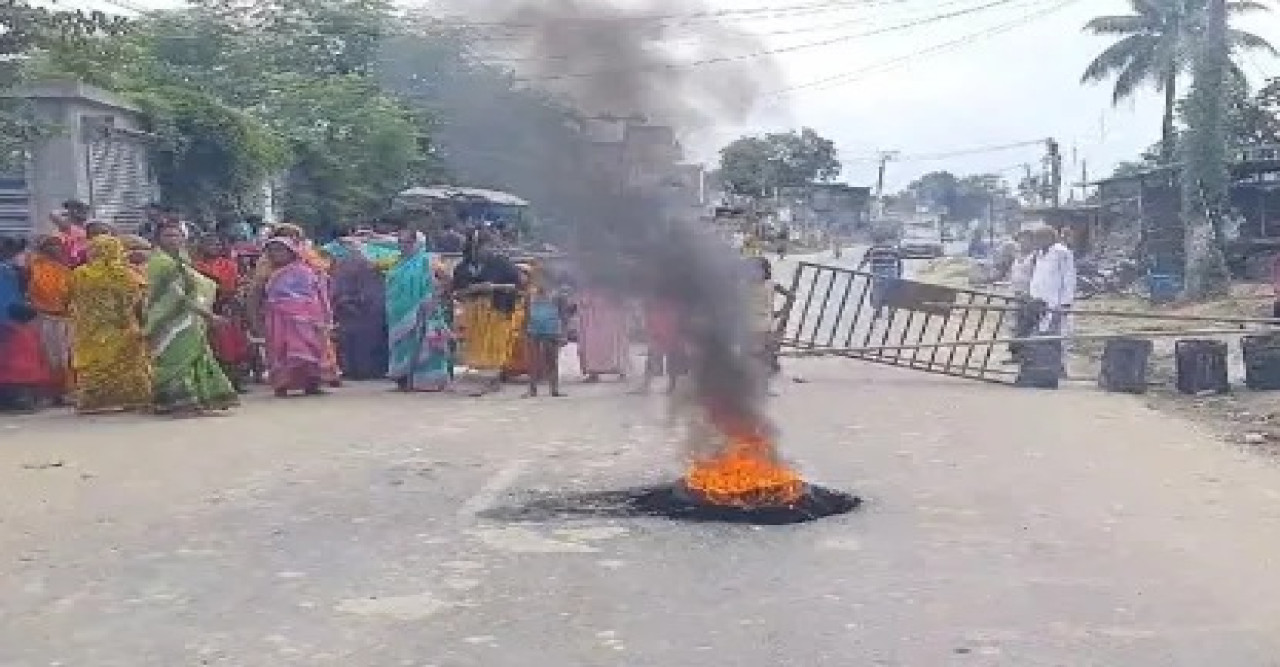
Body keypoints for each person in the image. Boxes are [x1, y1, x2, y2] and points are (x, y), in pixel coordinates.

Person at [146, 222, 239, 416]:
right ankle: (177, 402)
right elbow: (177, 295)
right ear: (158, 239)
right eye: (167, 236)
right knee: (174, 359)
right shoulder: (161, 262)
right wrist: (209, 315)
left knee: (193, 356)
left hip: (189, 319)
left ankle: (194, 398)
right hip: (169, 319)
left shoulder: (182, 260)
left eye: (177, 235)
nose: (173, 239)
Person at [67, 235, 153, 414]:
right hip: (121, 326)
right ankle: (131, 399)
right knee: (127, 363)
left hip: (89, 328)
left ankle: (94, 402)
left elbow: (70, 297)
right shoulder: (125, 274)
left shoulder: (79, 273)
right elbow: (136, 299)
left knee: (95, 363)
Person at [261, 236, 337, 397]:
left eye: (280, 250)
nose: (276, 254)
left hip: (304, 318)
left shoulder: (304, 271)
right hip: (278, 319)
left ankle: (312, 384)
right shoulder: (267, 272)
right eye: (272, 251)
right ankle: (281, 385)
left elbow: (317, 294)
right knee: (280, 350)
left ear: (291, 252)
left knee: (308, 350)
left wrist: (322, 317)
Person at [452, 230, 522, 396]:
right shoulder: (462, 267)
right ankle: (479, 381)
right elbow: (457, 292)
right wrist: (473, 289)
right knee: (476, 348)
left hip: (497, 310)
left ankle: (492, 380)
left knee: (494, 345)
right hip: (474, 314)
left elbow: (517, 287)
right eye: (483, 246)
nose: (487, 250)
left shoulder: (502, 264)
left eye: (489, 246)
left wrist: (494, 287)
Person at [386, 230, 453, 392]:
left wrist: (435, 297)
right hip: (399, 314)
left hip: (425, 310)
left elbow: (447, 279)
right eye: (400, 242)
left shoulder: (428, 261)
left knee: (426, 344)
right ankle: (403, 378)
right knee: (403, 346)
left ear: (417, 243)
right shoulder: (397, 263)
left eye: (408, 242)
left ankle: (428, 381)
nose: (403, 246)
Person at [193, 234, 252, 392]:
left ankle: (234, 381)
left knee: (232, 345)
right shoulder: (194, 266)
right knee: (211, 345)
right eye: (209, 244)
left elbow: (236, 285)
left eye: (217, 244)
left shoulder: (229, 265)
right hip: (204, 307)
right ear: (201, 246)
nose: (214, 247)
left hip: (226, 307)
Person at [0, 237, 50, 412]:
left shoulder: (11, 270)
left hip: (12, 318)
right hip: (9, 319)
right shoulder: (9, 270)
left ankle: (15, 398)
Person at [329, 239, 390, 381]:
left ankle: (363, 370)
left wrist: (348, 301)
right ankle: (355, 369)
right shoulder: (342, 265)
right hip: (352, 310)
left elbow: (372, 292)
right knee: (351, 341)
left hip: (366, 311)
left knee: (363, 342)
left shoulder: (368, 266)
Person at [26, 235, 74, 404]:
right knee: (46, 355)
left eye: (57, 245)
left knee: (65, 356)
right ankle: (47, 393)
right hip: (42, 318)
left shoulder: (66, 270)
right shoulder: (32, 266)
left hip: (65, 318)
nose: (54, 248)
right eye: (50, 245)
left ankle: (67, 392)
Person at [522, 265, 570, 397]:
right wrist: (524, 330)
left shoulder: (558, 295)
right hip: (533, 330)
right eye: (537, 279)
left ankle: (554, 389)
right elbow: (526, 314)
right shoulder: (529, 294)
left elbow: (564, 315)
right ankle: (532, 389)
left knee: (552, 361)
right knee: (533, 362)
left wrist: (565, 333)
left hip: (552, 330)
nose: (539, 281)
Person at [574, 285, 631, 383]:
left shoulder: (590, 286)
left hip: (596, 323)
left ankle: (596, 373)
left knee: (594, 346)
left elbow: (583, 303)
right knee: (610, 344)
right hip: (606, 321)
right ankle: (619, 369)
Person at [749, 256, 791, 388]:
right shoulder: (767, 284)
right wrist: (781, 312)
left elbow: (790, 296)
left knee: (757, 353)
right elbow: (791, 296)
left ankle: (760, 381)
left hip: (758, 323)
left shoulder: (768, 285)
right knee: (760, 353)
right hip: (759, 323)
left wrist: (780, 312)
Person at [1027, 225, 1076, 336]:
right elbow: (1037, 276)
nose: (1036, 241)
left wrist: (1066, 302)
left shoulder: (1061, 252)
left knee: (1057, 333)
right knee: (1040, 332)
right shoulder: (1039, 254)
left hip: (1056, 301)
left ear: (1049, 238)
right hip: (1039, 300)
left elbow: (1069, 278)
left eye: (1038, 238)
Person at [857, 231, 904, 319]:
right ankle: (891, 312)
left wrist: (858, 269)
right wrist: (899, 274)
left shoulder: (872, 249)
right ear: (885, 240)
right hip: (891, 273)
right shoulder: (892, 249)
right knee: (890, 293)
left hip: (877, 274)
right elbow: (899, 261)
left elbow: (864, 260)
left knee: (878, 293)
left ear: (876, 241)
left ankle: (878, 311)